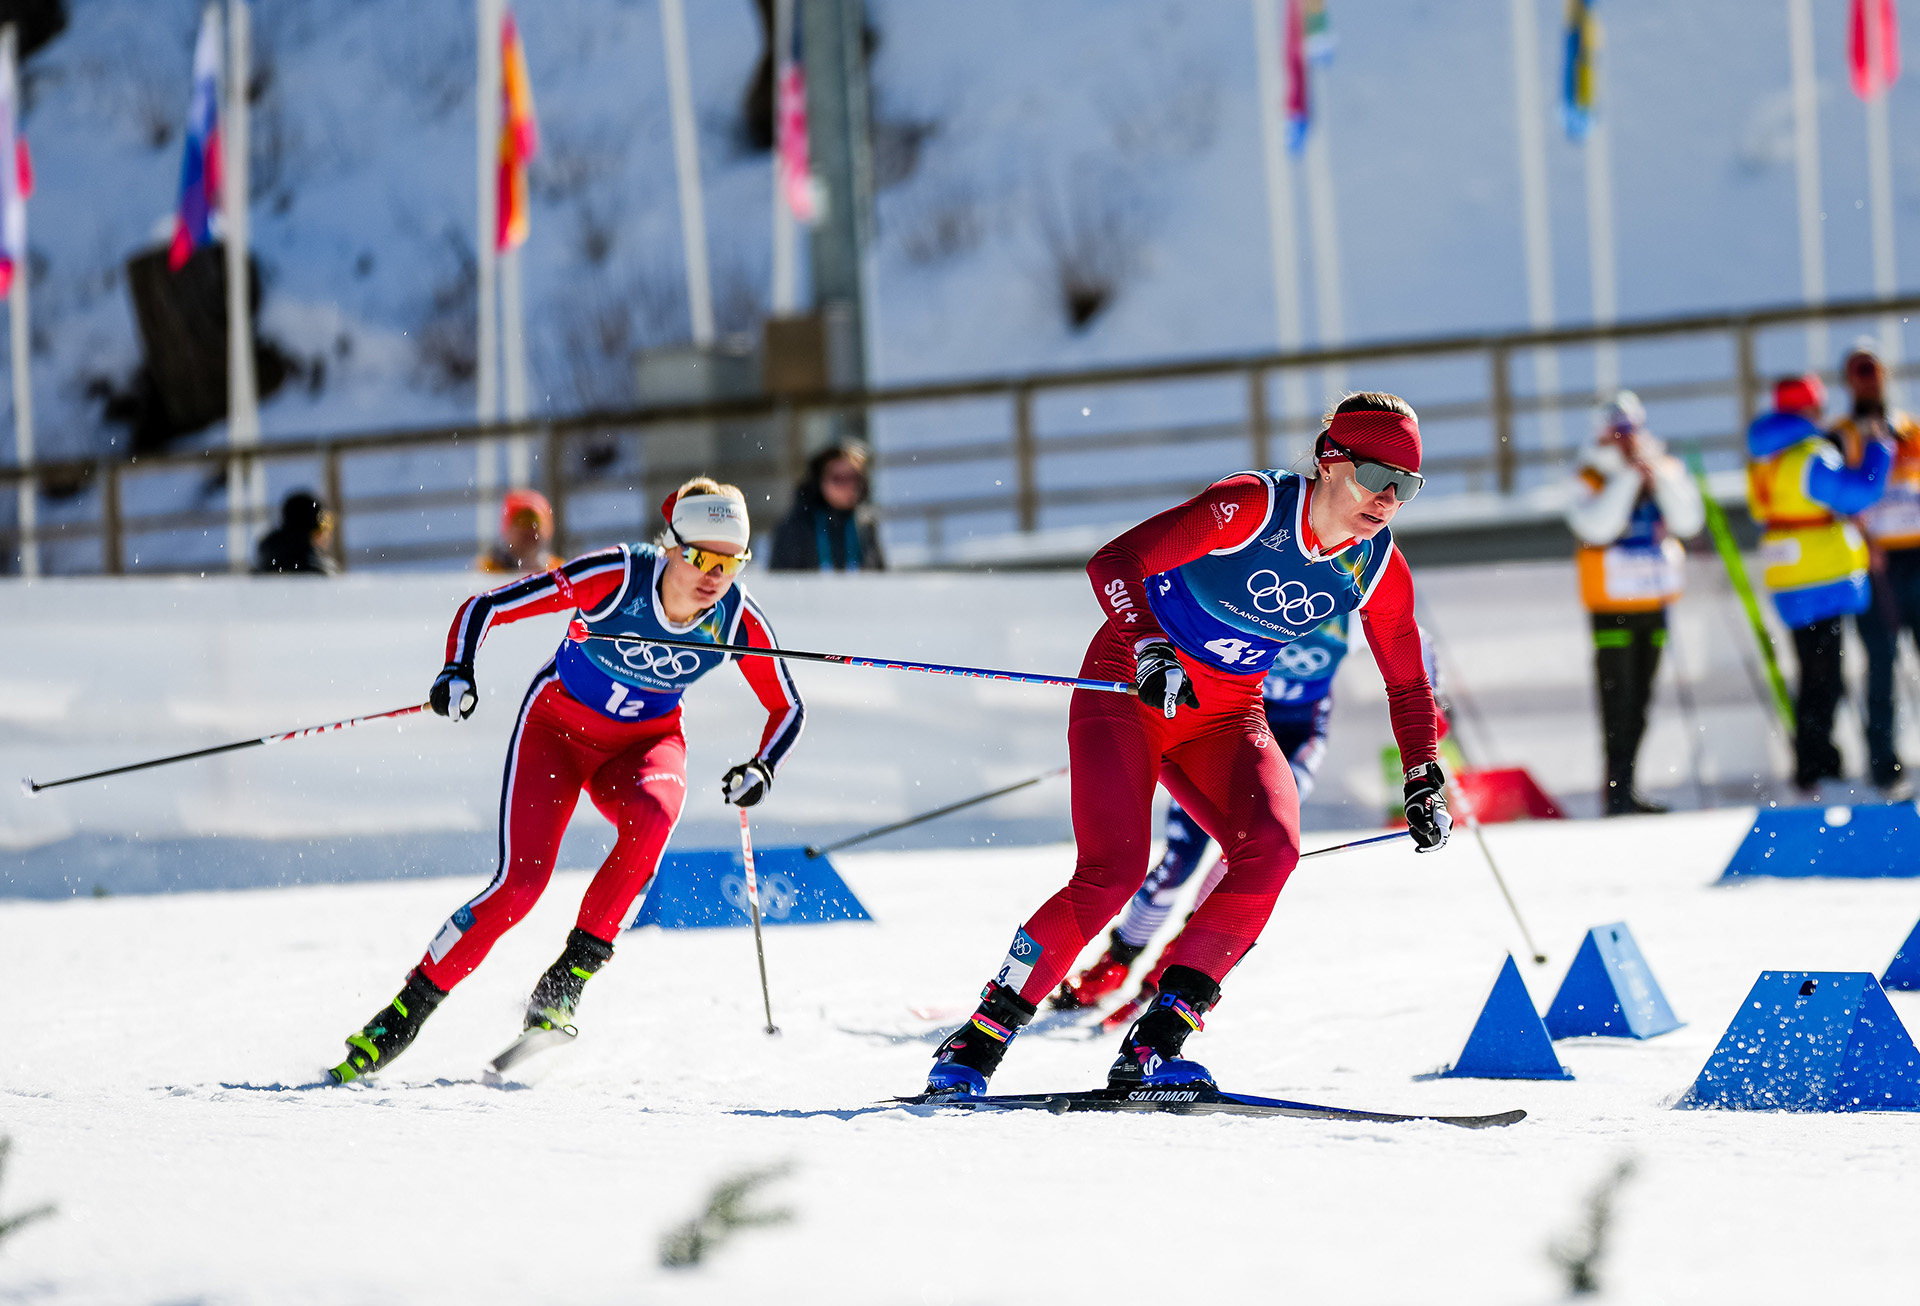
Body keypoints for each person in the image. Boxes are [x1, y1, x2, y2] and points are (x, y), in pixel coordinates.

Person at [921, 393, 1450, 1100]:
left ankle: (1155, 1044)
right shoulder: (1252, 507)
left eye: (1407, 486)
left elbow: (1408, 683)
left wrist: (1423, 775)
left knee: (1272, 850)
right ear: (1331, 461)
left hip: (1226, 715)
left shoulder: (1375, 564)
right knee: (1112, 874)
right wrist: (1148, 645)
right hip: (1131, 689)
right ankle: (977, 1040)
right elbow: (1115, 562)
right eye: (1378, 477)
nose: (1388, 500)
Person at [328, 476, 806, 1083]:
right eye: (701, 558)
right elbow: (485, 607)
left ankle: (565, 984)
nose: (715, 576)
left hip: (642, 747)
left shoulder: (736, 618)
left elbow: (787, 706)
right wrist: (458, 669)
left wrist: (763, 766)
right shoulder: (617, 577)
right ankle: (403, 1015)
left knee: (655, 819)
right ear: (670, 545)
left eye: (731, 562)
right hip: (555, 734)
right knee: (520, 887)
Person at [1050, 612, 1351, 1012]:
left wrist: (1426, 744)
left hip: (1293, 737)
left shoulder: (1350, 593)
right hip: (1220, 725)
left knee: (1248, 858)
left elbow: (1410, 654)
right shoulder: (1249, 585)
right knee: (1181, 858)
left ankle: (1180, 960)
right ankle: (1117, 960)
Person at [1747, 374, 1890, 794]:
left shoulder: (1765, 457)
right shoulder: (1809, 455)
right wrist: (1879, 449)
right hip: (1820, 576)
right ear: (1810, 409)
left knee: (1813, 673)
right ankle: (1816, 765)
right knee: (1824, 678)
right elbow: (1857, 494)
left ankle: (1815, 761)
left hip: (1788, 576)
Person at [1566, 391, 1705, 815]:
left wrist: (1656, 476)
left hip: (1653, 601)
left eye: (1631, 430)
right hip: (1611, 605)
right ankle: (1616, 792)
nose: (1625, 439)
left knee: (1642, 700)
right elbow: (1597, 526)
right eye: (1616, 432)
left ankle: (1629, 786)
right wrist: (1628, 480)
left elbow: (1689, 521)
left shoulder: (1662, 468)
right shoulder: (1589, 473)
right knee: (1617, 700)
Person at [1830, 343, 1920, 798]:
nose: (1868, 380)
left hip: (1916, 556)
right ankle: (1884, 765)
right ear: (1848, 381)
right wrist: (1862, 540)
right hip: (1874, 563)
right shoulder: (1840, 435)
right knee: (1881, 665)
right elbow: (1833, 497)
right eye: (1859, 372)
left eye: (1873, 371)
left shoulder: (1910, 428)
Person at [769, 442, 886, 572]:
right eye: (838, 478)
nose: (848, 486)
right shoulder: (795, 526)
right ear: (820, 481)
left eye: (854, 478)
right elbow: (781, 579)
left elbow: (879, 577)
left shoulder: (865, 524)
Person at [476, 488, 564, 576]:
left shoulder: (558, 569)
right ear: (508, 530)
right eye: (522, 522)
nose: (529, 529)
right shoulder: (491, 568)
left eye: (535, 523)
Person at [253, 490, 337, 575]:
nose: (327, 536)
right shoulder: (317, 569)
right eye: (323, 528)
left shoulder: (266, 559)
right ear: (312, 531)